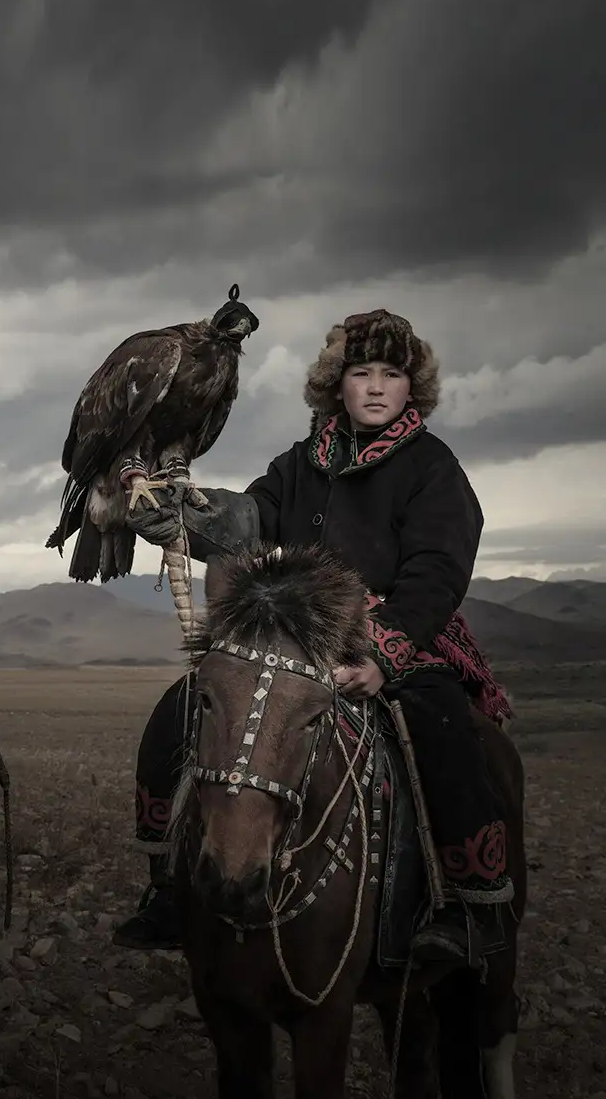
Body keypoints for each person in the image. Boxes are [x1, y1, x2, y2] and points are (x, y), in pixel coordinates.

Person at [112, 309, 514, 968]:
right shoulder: (300, 463)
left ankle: (469, 906)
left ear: (414, 388)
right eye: (362, 373)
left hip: (401, 637)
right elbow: (249, 520)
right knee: (181, 709)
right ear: (337, 385)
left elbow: (438, 572)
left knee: (443, 724)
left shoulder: (433, 469)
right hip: (296, 642)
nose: (378, 386)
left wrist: (385, 655)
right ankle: (170, 884)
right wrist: (179, 510)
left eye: (392, 373)